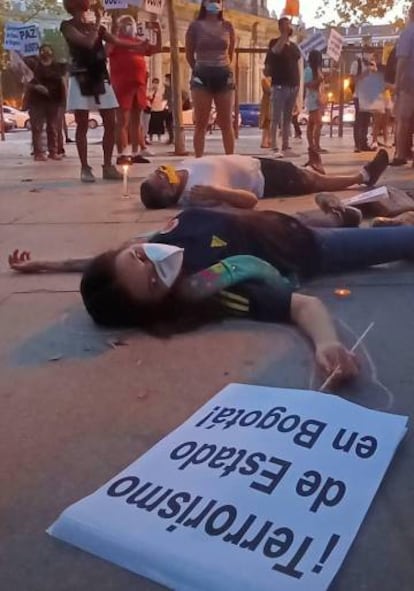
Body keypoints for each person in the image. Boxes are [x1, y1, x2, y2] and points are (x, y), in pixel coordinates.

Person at [10, 206, 414, 385]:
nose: (156, 261)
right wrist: (327, 343)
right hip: (312, 246)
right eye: (153, 281)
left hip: (275, 220)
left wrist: (44, 264)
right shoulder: (212, 288)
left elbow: (107, 264)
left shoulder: (152, 243)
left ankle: (379, 213)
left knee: (358, 216)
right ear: (160, 305)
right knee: (400, 240)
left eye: (139, 257)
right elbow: (302, 306)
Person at [60, 0, 151, 183]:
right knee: (82, 124)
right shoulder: (67, 26)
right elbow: (86, 43)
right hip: (81, 77)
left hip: (100, 76)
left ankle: (108, 165)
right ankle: (85, 168)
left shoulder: (95, 27)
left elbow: (116, 41)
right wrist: (99, 22)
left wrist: (137, 45)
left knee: (111, 121)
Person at [139, 150, 389, 210]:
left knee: (307, 174)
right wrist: (218, 192)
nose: (163, 172)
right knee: (315, 182)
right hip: (265, 179)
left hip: (256, 161)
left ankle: (312, 168)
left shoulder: (183, 169)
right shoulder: (197, 192)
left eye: (158, 172)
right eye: (162, 179)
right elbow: (249, 201)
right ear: (170, 193)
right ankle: (363, 177)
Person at [185, 0, 236, 157]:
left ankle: (230, 160)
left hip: (223, 74)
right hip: (202, 74)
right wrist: (198, 68)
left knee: (226, 122)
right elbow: (189, 53)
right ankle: (199, 160)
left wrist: (223, 66)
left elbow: (231, 52)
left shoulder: (228, 26)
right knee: (201, 122)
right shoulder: (195, 26)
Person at [108, 15, 161, 163]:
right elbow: (106, 52)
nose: (128, 26)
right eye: (125, 23)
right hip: (122, 86)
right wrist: (113, 34)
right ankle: (121, 154)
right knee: (122, 121)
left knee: (136, 121)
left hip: (139, 86)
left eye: (130, 23)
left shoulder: (138, 42)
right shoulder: (115, 42)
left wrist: (158, 32)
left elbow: (156, 49)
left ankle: (136, 152)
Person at [265, 16, 301, 159]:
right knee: (276, 117)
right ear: (280, 27)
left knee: (287, 118)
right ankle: (274, 146)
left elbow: (297, 62)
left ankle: (286, 146)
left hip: (292, 86)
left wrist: (298, 86)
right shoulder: (274, 43)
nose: (288, 27)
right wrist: (284, 36)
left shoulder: (293, 47)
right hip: (279, 85)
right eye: (285, 25)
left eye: (289, 25)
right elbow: (276, 52)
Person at [24, 44, 66, 162]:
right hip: (37, 101)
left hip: (53, 100)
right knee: (37, 127)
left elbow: (62, 83)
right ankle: (38, 153)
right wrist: (37, 87)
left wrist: (63, 100)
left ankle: (53, 152)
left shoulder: (57, 66)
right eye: (43, 51)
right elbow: (27, 81)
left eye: (47, 51)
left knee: (53, 127)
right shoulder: (34, 66)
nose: (45, 53)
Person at [393, 3, 414, 167]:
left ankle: (400, 154)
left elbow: (402, 59)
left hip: (409, 82)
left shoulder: (408, 33)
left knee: (403, 119)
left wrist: (397, 83)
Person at [350, 52, 377, 153]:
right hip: (359, 95)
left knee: (366, 121)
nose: (370, 55)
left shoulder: (372, 64)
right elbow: (352, 80)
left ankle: (364, 143)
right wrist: (365, 74)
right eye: (368, 52)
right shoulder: (356, 64)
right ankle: (357, 145)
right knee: (359, 120)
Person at [304, 50, 326, 158]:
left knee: (312, 123)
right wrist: (318, 81)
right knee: (318, 123)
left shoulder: (317, 69)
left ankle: (313, 145)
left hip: (317, 97)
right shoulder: (308, 70)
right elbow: (308, 85)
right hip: (312, 99)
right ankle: (315, 145)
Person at [148, 77, 165, 142]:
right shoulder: (150, 91)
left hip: (159, 109)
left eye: (156, 83)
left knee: (159, 124)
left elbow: (163, 98)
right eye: (154, 83)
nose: (155, 84)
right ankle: (150, 137)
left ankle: (159, 137)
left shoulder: (161, 91)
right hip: (152, 109)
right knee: (152, 124)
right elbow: (149, 99)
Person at [259, 73, 272, 149]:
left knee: (270, 124)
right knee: (266, 123)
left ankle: (269, 141)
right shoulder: (264, 80)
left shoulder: (271, 80)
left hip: (271, 103)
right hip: (267, 104)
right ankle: (265, 142)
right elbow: (269, 90)